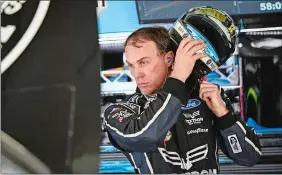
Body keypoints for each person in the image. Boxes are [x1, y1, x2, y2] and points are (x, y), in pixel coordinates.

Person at [104, 26, 261, 174]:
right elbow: (144, 137)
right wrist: (178, 76)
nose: (136, 74)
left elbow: (249, 157)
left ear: (169, 59)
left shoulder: (208, 97)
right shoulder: (121, 111)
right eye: (131, 65)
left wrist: (224, 115)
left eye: (143, 62)